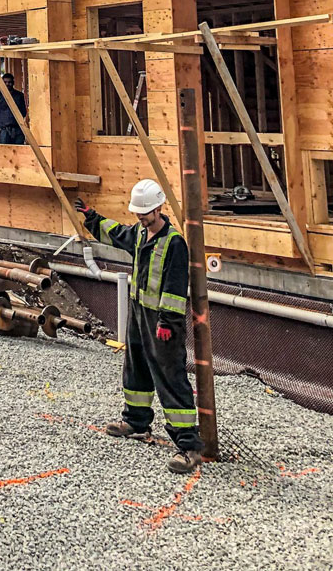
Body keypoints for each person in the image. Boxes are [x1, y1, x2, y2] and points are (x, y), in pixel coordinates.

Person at [75, 180, 203, 474]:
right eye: (138, 213)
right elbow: (116, 233)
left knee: (169, 376)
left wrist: (168, 322)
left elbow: (174, 286)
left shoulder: (174, 243)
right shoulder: (140, 234)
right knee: (136, 367)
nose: (140, 217)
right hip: (139, 314)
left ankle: (189, 445)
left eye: (145, 212)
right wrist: (92, 217)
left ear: (159, 208)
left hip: (161, 322)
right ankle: (136, 422)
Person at [0, 71, 26, 144]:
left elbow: (23, 111)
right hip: (4, 129)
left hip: (18, 128)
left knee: (19, 151)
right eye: (5, 82)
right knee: (4, 152)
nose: (7, 84)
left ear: (13, 83)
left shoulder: (19, 95)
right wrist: (1, 122)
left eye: (9, 82)